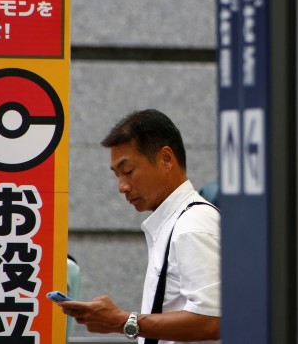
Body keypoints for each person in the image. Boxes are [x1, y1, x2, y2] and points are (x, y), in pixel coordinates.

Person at [57, 109, 221, 343]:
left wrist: (122, 320)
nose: (122, 186)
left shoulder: (193, 224)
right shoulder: (176, 221)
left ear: (166, 158)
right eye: (117, 175)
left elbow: (212, 320)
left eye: (128, 171)